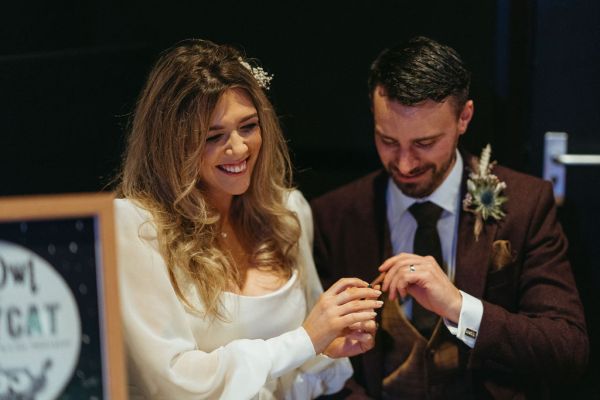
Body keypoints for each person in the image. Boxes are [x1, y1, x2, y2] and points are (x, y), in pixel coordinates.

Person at [311, 36, 589, 399]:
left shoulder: (526, 205)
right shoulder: (335, 216)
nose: (405, 163)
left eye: (425, 143)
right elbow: (320, 361)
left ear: (464, 118)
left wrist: (459, 307)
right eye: (388, 140)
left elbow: (567, 349)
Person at [113, 39, 382, 400]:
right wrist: (303, 341)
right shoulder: (136, 227)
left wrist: (326, 348)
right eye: (214, 136)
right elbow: (172, 382)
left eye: (248, 126)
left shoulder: (288, 212)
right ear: (171, 143)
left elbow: (288, 381)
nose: (239, 148)